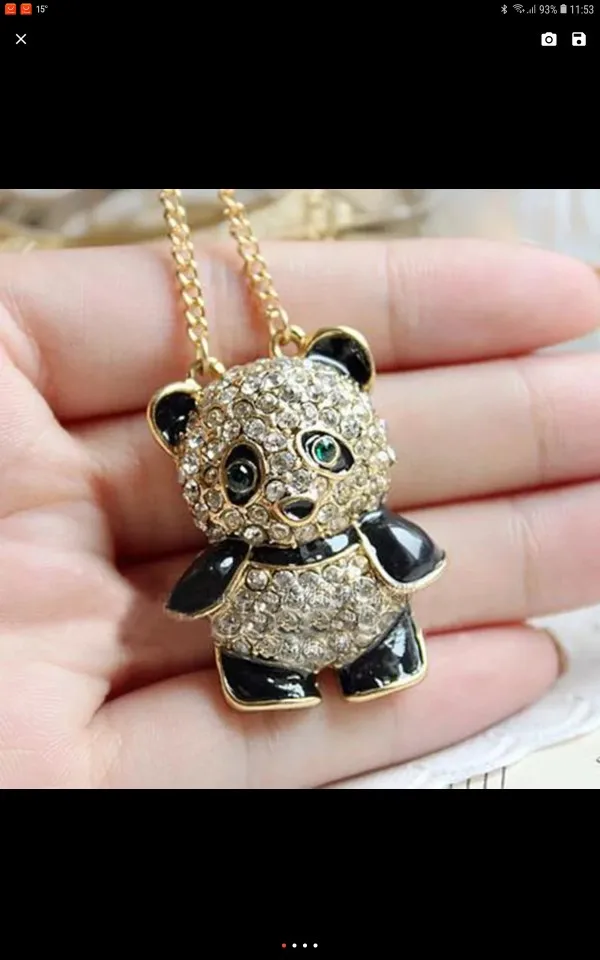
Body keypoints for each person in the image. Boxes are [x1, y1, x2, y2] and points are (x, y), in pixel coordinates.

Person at [0, 236, 598, 789]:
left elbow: (406, 554)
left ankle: (380, 658)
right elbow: (198, 592)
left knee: (383, 640)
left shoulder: (361, 511)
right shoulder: (232, 525)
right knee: (256, 664)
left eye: (322, 451)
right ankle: (267, 679)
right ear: (182, 433)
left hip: (369, 621)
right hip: (263, 642)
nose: (292, 490)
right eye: (243, 475)